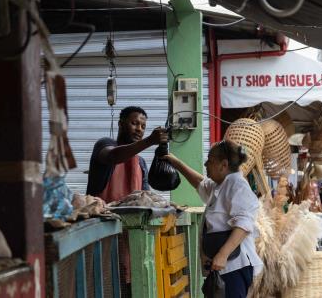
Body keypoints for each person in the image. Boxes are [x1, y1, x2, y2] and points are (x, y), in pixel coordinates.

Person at [164, 140, 263, 298]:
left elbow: (244, 224)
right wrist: (176, 163)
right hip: (222, 265)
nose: (205, 164)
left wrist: (223, 254)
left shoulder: (237, 185)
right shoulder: (221, 184)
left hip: (233, 265)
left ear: (223, 165)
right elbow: (200, 183)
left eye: (210, 161)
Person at [86, 106, 167, 296]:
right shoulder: (105, 146)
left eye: (143, 126)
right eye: (134, 123)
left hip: (130, 241)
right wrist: (150, 141)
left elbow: (145, 197)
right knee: (103, 285)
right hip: (101, 237)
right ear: (121, 124)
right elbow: (114, 156)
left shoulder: (140, 163)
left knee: (127, 285)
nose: (139, 128)